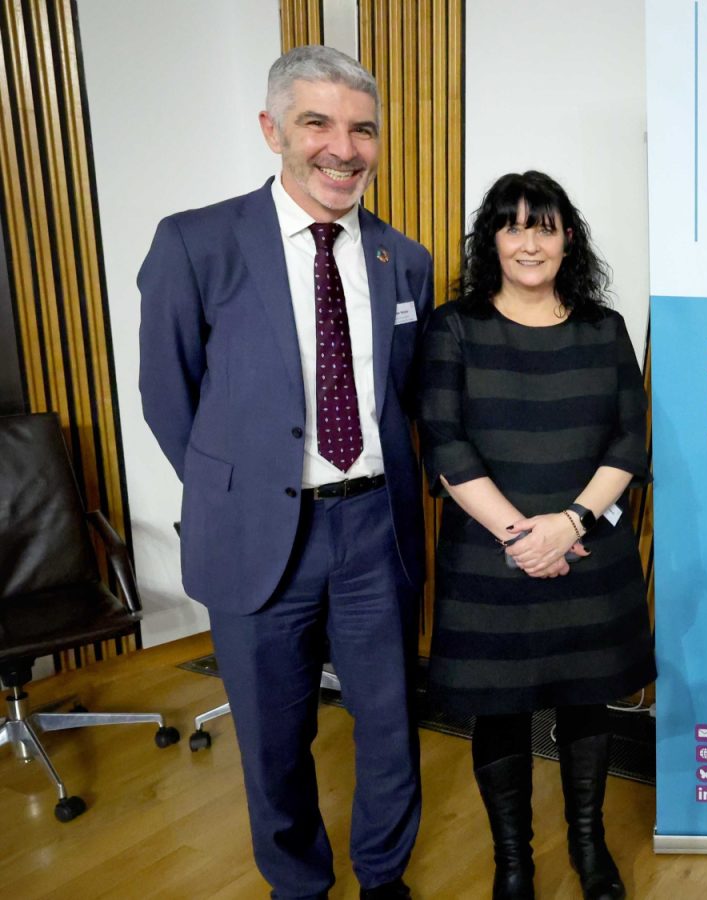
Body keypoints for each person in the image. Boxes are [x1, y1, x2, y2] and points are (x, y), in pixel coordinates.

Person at [138, 46, 429, 899]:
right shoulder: (197, 243)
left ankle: (384, 880)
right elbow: (169, 395)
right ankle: (298, 886)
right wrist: (241, 490)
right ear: (272, 130)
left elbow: (401, 396)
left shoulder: (400, 259)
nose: (344, 148)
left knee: (388, 724)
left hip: (375, 528)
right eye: (318, 123)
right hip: (262, 534)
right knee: (271, 736)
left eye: (363, 129)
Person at [419, 171, 653, 900]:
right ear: (492, 240)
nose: (528, 241)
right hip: (494, 557)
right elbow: (445, 444)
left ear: (568, 239)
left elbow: (629, 439)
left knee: (587, 701)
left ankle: (589, 847)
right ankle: (512, 861)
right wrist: (526, 538)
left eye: (543, 226)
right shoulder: (454, 327)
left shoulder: (603, 328)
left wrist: (571, 523)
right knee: (502, 705)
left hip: (588, 548)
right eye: (513, 225)